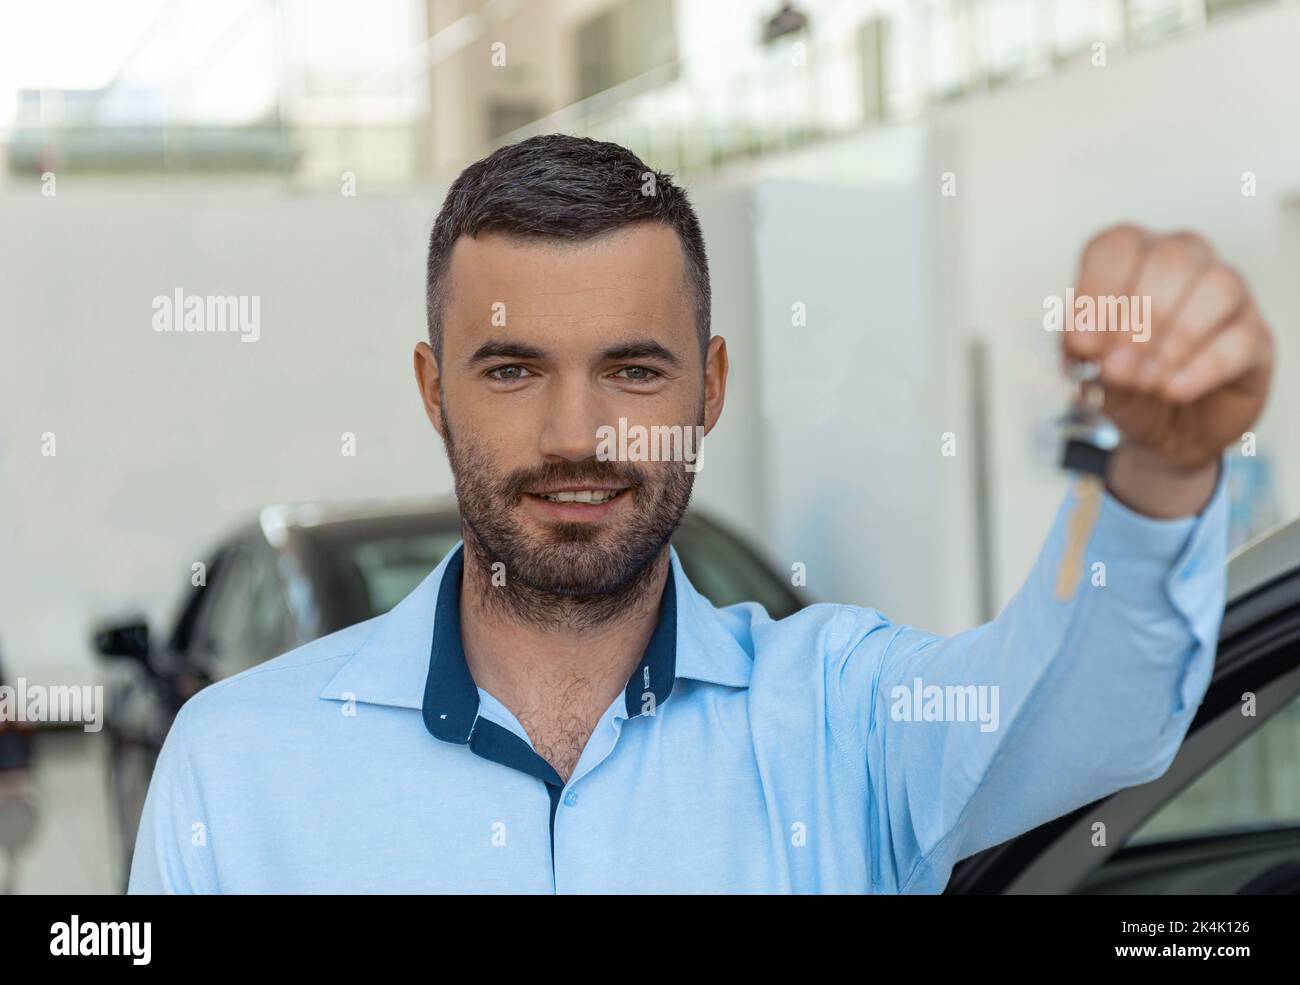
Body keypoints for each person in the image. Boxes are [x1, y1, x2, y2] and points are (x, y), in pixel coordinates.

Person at [129, 134, 1273, 893]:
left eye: (632, 370)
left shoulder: (844, 722)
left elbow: (1084, 710)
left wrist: (1155, 482)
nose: (577, 436)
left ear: (709, 388)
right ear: (435, 390)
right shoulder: (236, 767)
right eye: (514, 370)